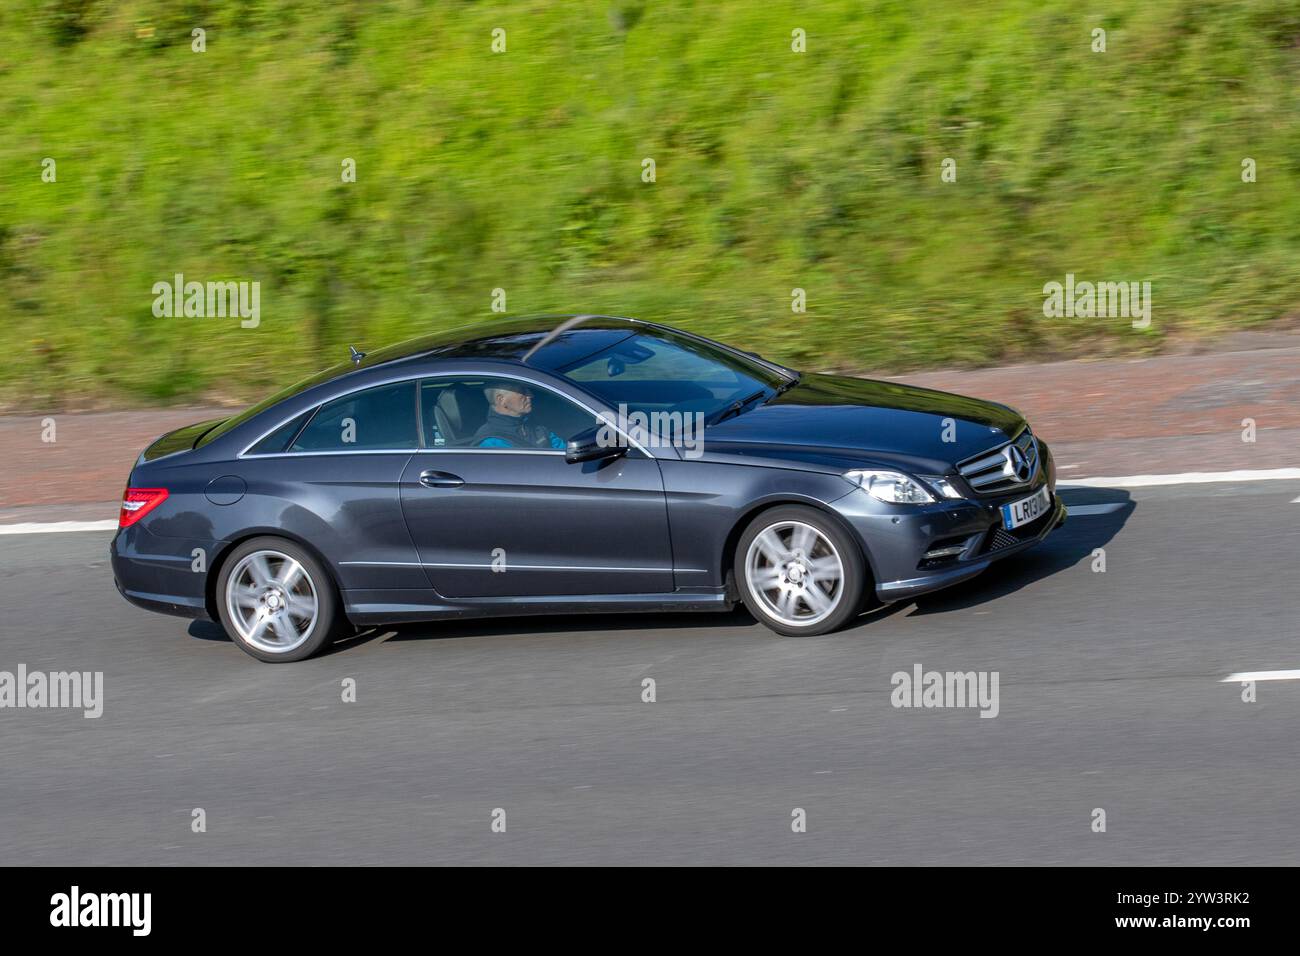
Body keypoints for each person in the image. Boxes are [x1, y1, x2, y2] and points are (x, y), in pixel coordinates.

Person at [472, 384, 565, 449]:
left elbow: (562, 449)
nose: (530, 395)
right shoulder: (492, 443)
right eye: (522, 391)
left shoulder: (533, 424)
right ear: (501, 400)